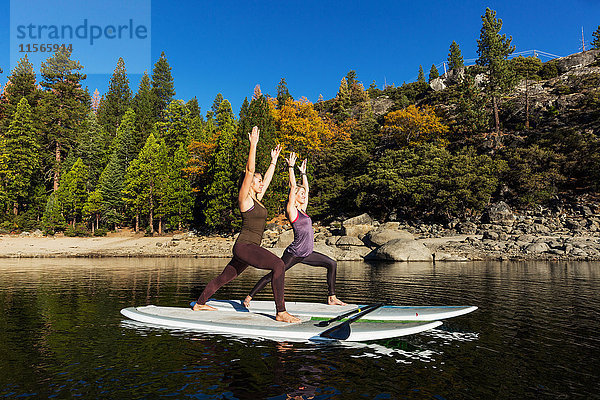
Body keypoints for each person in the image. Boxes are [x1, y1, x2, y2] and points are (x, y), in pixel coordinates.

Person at [193, 126, 300, 323]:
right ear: (249, 183)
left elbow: (267, 180)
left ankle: (200, 303)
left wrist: (273, 162)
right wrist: (253, 145)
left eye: (260, 181)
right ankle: (281, 312)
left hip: (249, 248)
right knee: (278, 265)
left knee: (224, 278)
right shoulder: (244, 199)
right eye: (257, 181)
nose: (260, 183)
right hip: (245, 247)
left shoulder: (257, 199)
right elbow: (250, 170)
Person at [244, 152, 346, 308]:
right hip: (294, 253)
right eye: (301, 194)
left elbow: (307, 188)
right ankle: (250, 296)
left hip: (307, 253)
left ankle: (332, 297)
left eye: (305, 194)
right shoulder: (292, 210)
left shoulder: (303, 210)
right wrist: (291, 167)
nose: (305, 196)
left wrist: (303, 173)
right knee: (274, 275)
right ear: (295, 196)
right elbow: (293, 186)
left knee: (332, 263)